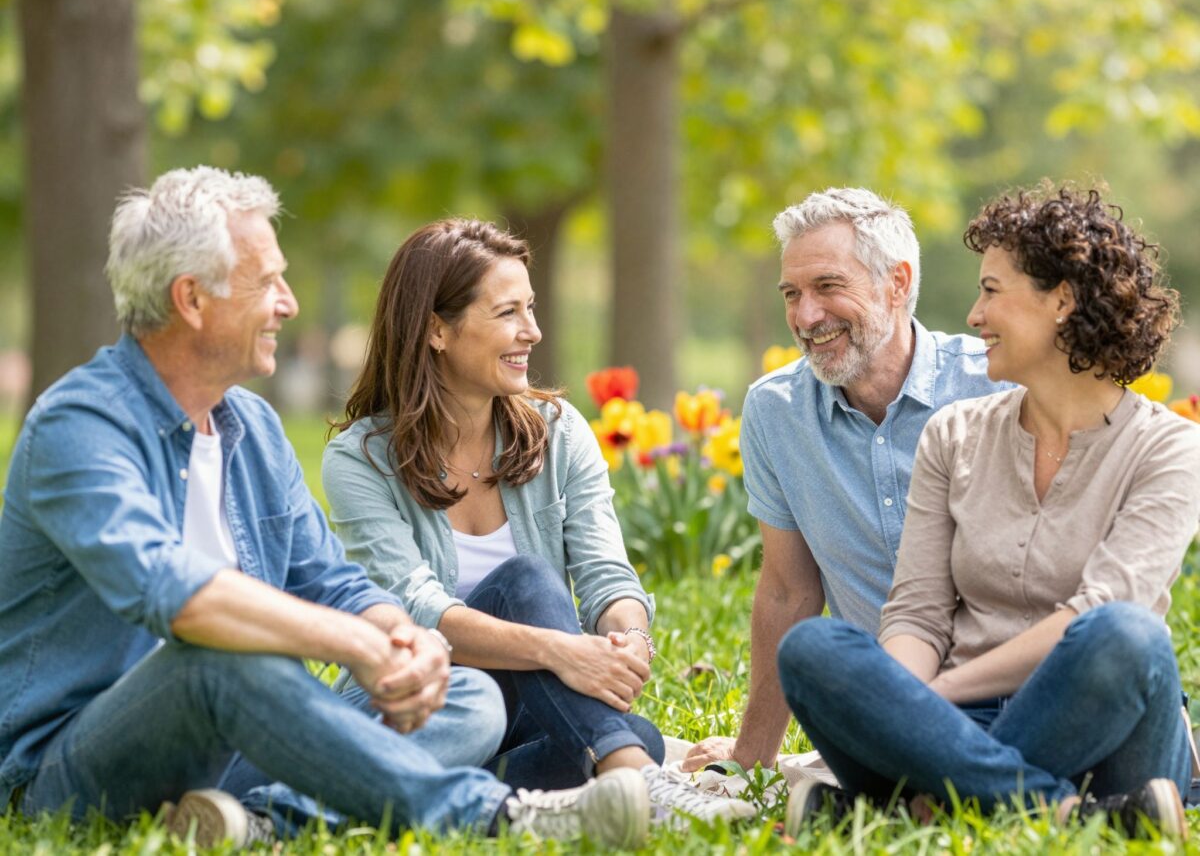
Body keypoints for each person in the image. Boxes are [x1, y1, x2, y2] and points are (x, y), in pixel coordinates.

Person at [0, 167, 653, 849]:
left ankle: (253, 819)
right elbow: (179, 595)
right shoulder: (80, 427)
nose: (288, 303)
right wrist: (356, 644)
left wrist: (400, 638)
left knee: (470, 698)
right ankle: (498, 814)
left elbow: (329, 579)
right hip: (71, 768)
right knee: (217, 657)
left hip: (237, 747)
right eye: (267, 283)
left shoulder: (249, 427)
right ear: (191, 299)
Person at [779, 185, 1200, 839]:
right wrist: (907, 700)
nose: (973, 315)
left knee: (1124, 635)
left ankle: (916, 805)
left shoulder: (1171, 448)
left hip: (1107, 728)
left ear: (1060, 300)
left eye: (992, 291)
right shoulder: (956, 435)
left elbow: (1096, 615)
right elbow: (916, 613)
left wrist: (918, 707)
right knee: (812, 647)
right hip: (953, 724)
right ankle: (1070, 815)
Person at [322, 218, 753, 825]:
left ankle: (528, 790)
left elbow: (608, 577)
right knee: (524, 582)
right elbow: (417, 608)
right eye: (507, 313)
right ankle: (639, 784)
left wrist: (628, 641)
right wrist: (562, 650)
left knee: (634, 735)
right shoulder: (361, 460)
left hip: (526, 714)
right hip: (423, 711)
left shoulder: (559, 433)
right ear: (436, 330)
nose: (533, 331)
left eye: (530, 308)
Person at [683, 188, 1002, 774]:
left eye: (828, 287)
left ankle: (965, 780)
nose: (806, 317)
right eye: (791, 294)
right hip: (885, 708)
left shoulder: (995, 387)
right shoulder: (775, 412)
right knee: (816, 654)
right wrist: (752, 757)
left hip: (1010, 686)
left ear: (897, 284)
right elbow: (787, 590)